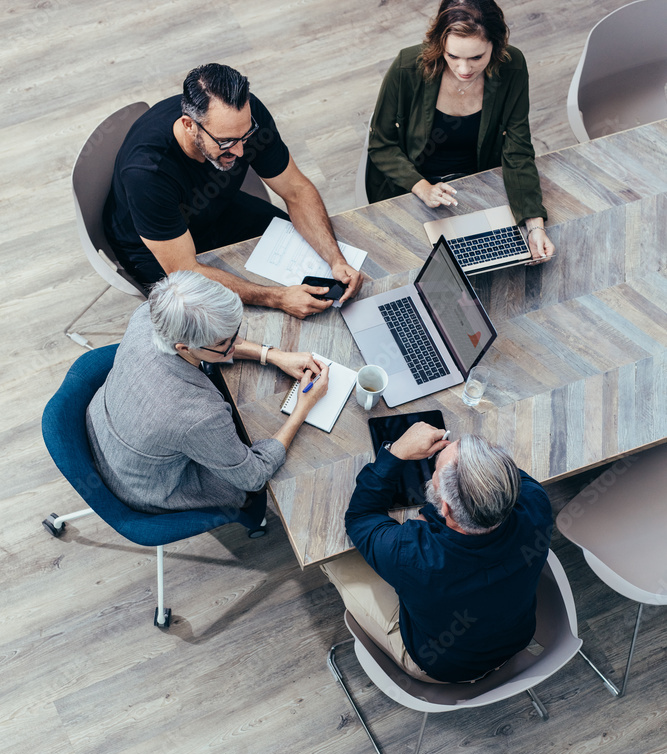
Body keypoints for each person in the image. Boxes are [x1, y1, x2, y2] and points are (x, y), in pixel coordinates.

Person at [104, 63, 363, 317]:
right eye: (226, 141)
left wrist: (336, 260)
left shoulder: (246, 117)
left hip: (216, 206)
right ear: (189, 125)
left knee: (314, 264)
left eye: (245, 136)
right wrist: (278, 297)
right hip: (155, 247)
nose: (240, 152)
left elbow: (296, 190)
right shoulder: (147, 173)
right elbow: (184, 270)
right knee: (228, 322)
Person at [86, 270, 329, 517]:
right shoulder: (199, 415)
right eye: (224, 343)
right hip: (147, 486)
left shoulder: (148, 315)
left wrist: (273, 355)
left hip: (103, 425)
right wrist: (303, 408)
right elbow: (253, 476)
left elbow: (212, 346)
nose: (236, 344)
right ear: (184, 347)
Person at [322, 424, 553, 683]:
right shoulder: (537, 503)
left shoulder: (412, 556)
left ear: (445, 507)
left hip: (443, 666)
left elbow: (360, 518)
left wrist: (396, 452)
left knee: (333, 557)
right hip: (516, 636)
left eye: (435, 470)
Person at [365, 0, 555, 260]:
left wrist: (534, 226)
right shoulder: (407, 67)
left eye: (477, 57)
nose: (464, 70)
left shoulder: (512, 67)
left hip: (480, 183)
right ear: (438, 44)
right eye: (452, 56)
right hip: (412, 186)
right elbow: (381, 144)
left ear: (496, 46)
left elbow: (518, 149)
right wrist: (422, 187)